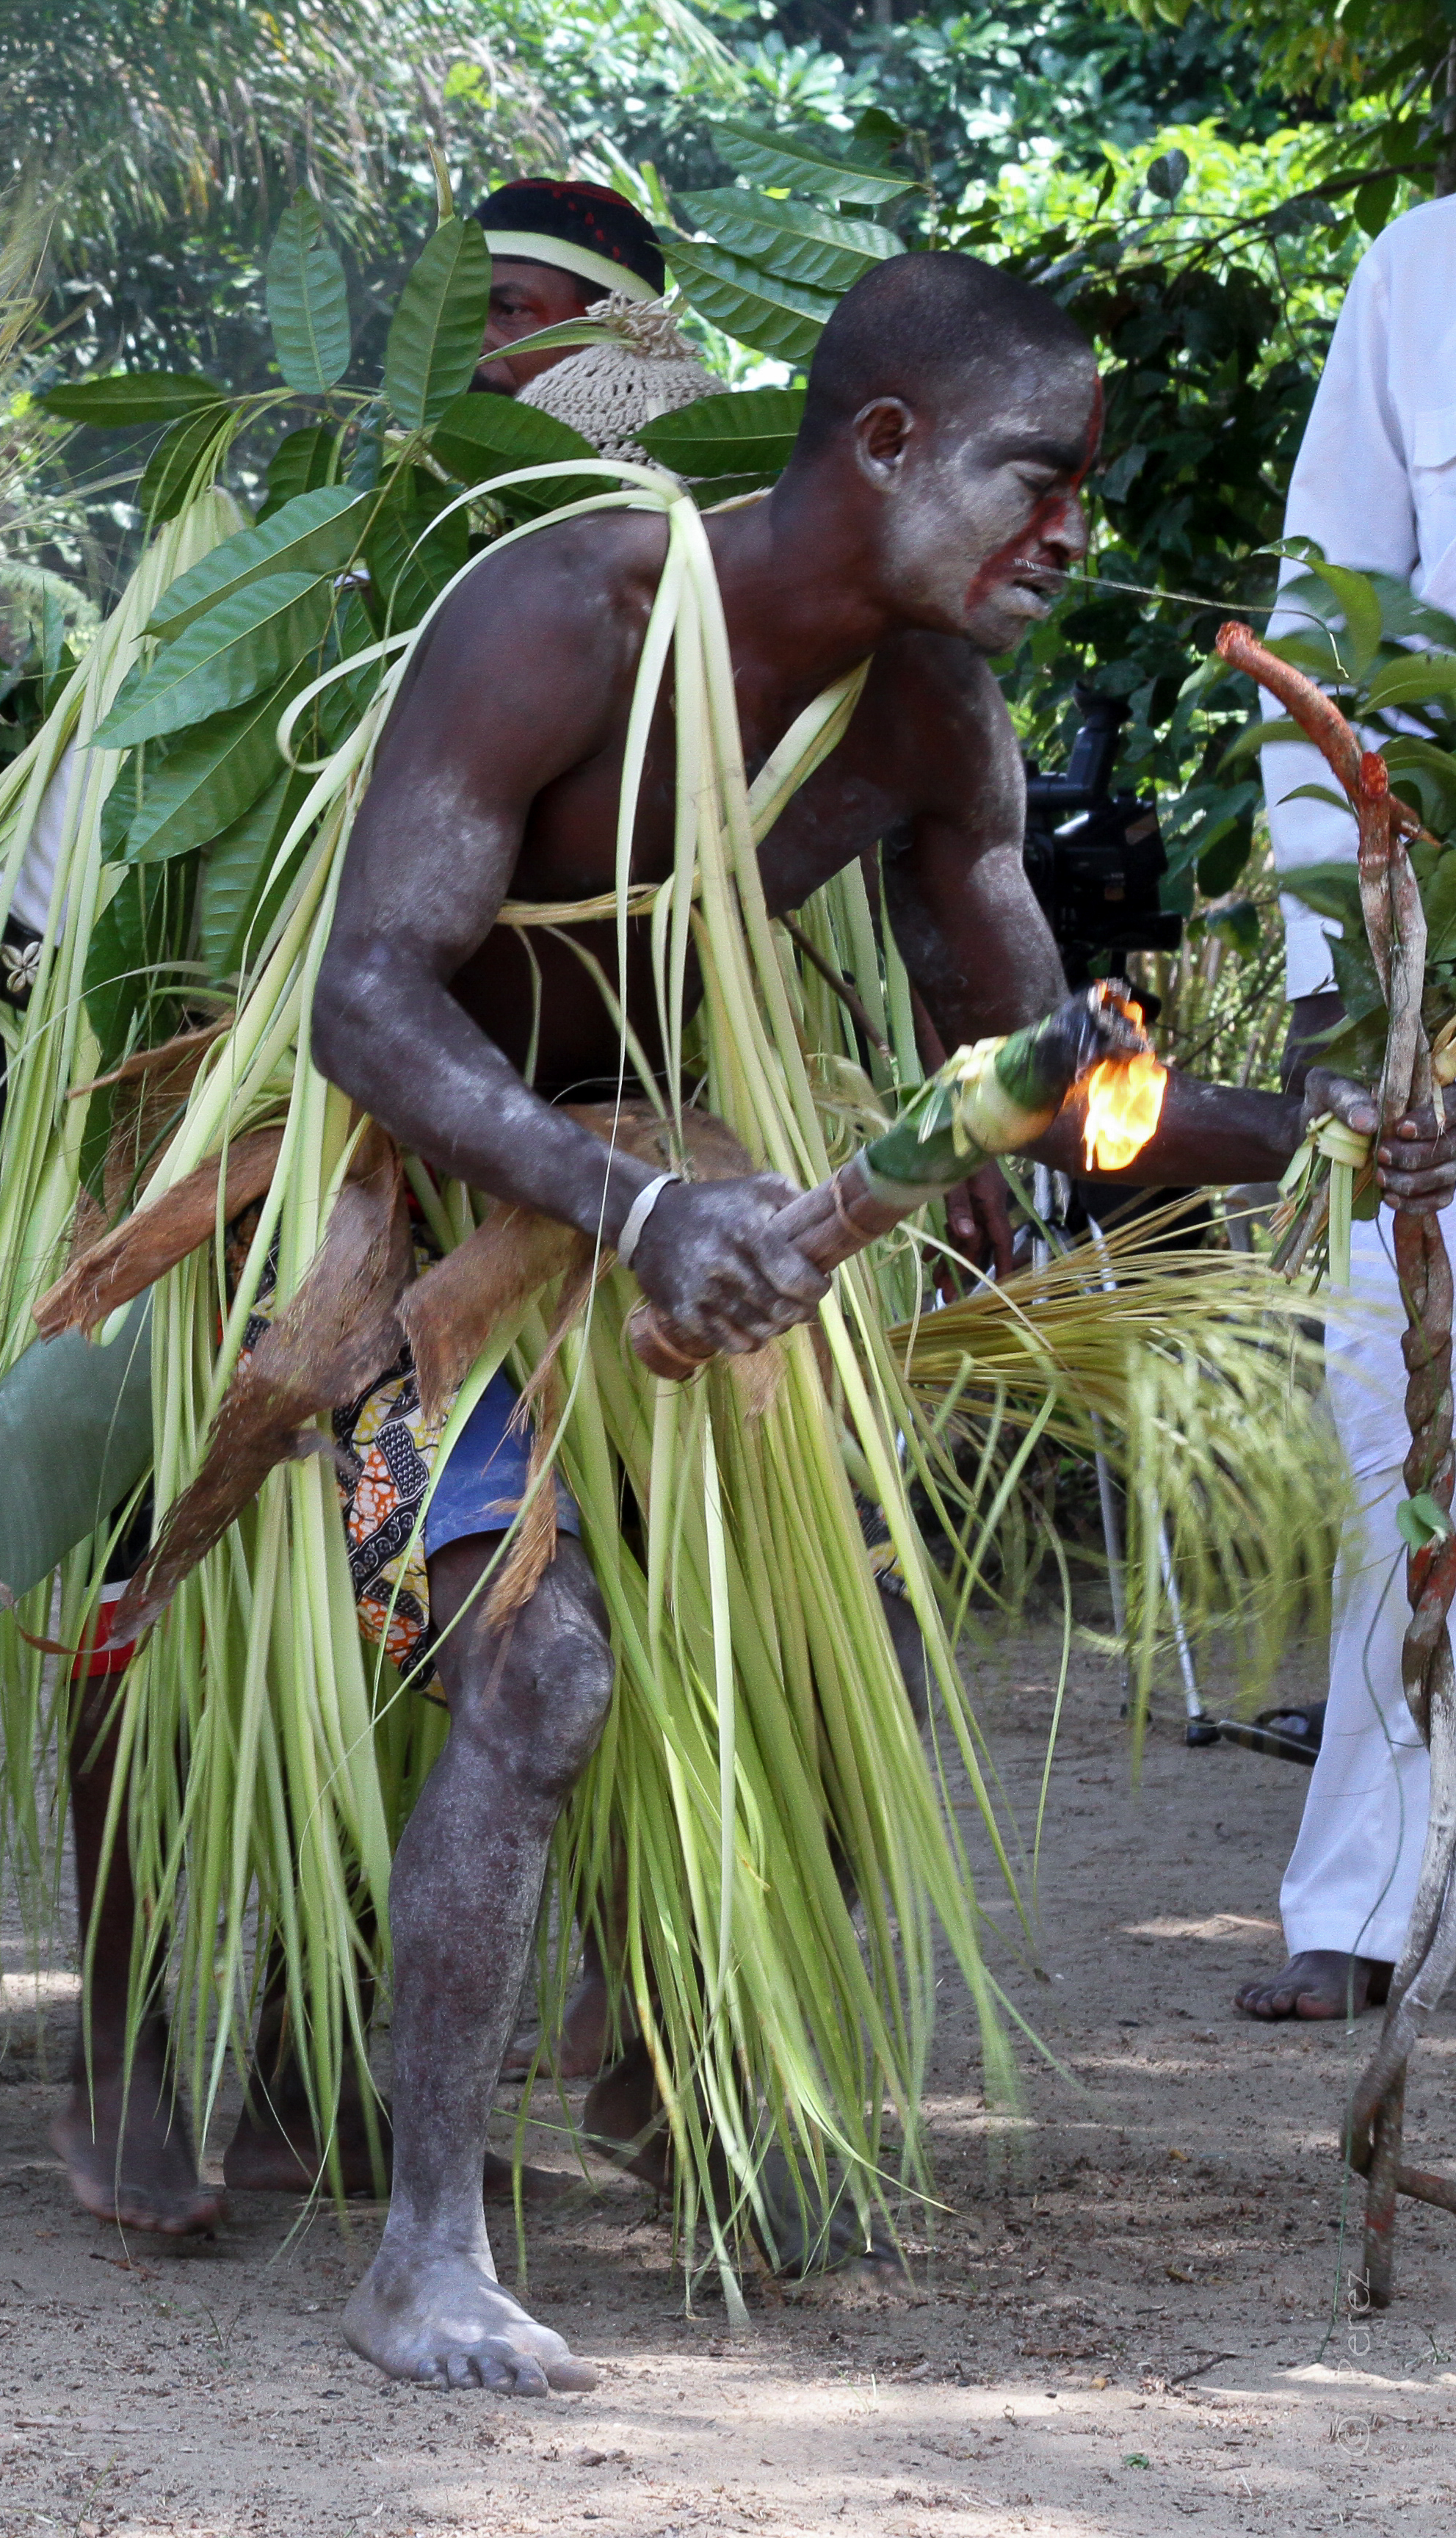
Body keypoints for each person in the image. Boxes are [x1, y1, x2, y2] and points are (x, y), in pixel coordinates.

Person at [293, 249, 1446, 2392]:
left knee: (860, 1620)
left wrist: (1318, 1129)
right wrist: (631, 1204)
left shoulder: (932, 726)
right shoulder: (571, 617)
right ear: (888, 441)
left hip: (665, 1238)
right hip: (384, 1259)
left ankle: (668, 2073)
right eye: (1041, 474)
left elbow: (1040, 1084)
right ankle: (420, 2254)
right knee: (537, 1674)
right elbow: (364, 997)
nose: (1073, 528)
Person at [1236, 195, 1456, 2025]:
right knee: (1393, 1410)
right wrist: (1346, 988)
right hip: (1429, 954)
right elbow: (1325, 617)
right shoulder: (1419, 275)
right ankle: (1370, 1893)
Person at [471, 179, 722, 467]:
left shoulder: (696, 465)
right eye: (460, 313)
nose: (469, 339)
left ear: (622, 328)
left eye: (511, 310)